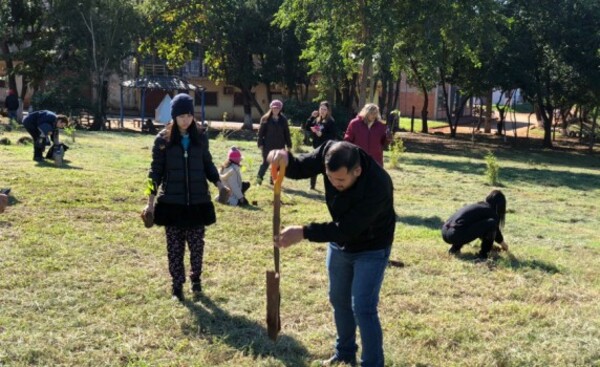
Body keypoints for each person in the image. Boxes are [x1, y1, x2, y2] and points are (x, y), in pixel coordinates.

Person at [269, 141, 395, 367]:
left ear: (357, 171)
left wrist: (304, 232)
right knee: (339, 300)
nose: (334, 184)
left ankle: (372, 363)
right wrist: (285, 159)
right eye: (329, 178)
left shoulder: (378, 185)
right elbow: (300, 167)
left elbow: (346, 229)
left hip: (372, 247)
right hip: (340, 246)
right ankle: (345, 352)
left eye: (340, 180)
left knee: (363, 307)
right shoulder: (329, 152)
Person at [142, 93, 228, 301]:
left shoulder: (200, 136)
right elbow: (154, 173)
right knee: (174, 249)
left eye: (189, 115)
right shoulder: (162, 140)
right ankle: (177, 285)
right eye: (181, 116)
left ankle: (196, 280)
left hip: (198, 203)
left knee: (197, 247)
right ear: (173, 116)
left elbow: (207, 163)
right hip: (172, 204)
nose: (186, 120)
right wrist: (149, 202)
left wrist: (219, 184)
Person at [441, 190, 508, 259]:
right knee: (492, 223)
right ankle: (483, 255)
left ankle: (454, 249)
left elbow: (477, 229)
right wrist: (504, 244)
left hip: (445, 231)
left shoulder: (478, 205)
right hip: (454, 235)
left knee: (464, 225)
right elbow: (495, 230)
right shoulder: (491, 212)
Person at [256, 99, 292, 185]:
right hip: (267, 145)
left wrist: (289, 145)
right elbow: (260, 133)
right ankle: (259, 179)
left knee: (276, 163)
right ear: (271, 108)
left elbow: (287, 133)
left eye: (278, 108)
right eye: (274, 108)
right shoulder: (265, 119)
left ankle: (273, 180)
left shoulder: (283, 120)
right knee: (265, 163)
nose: (276, 109)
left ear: (280, 109)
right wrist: (260, 143)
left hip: (280, 145)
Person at [304, 101, 337, 189]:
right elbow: (307, 127)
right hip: (316, 147)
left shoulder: (330, 121)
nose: (322, 111)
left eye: (324, 109)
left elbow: (333, 136)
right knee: (313, 167)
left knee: (325, 170)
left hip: (326, 149)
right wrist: (311, 117)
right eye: (321, 109)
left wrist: (322, 135)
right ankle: (312, 186)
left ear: (328, 111)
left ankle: (330, 188)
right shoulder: (317, 119)